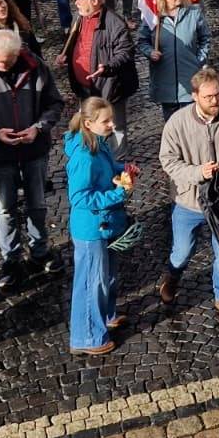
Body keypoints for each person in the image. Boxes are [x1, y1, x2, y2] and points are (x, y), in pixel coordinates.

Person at [0, 30, 63, 289]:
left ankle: (40, 251)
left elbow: (55, 103)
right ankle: (11, 259)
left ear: (19, 54)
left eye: (7, 60)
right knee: (5, 209)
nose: (1, 65)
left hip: (34, 149)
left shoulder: (37, 67)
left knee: (37, 204)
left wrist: (38, 128)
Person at [158, 68, 219, 322]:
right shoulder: (177, 123)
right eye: (208, 97)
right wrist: (198, 172)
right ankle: (172, 277)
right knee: (182, 252)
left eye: (218, 95)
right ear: (194, 95)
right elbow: (168, 161)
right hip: (189, 202)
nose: (215, 101)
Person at [65, 96, 138, 355]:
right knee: (91, 282)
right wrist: (117, 195)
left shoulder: (97, 143)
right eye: (106, 121)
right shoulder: (84, 156)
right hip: (91, 227)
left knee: (106, 276)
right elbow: (79, 197)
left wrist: (123, 168)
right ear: (88, 123)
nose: (112, 125)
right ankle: (87, 337)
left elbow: (108, 167)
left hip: (103, 225)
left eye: (111, 120)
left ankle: (106, 316)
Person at [58, 0, 138, 148]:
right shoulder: (79, 18)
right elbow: (73, 42)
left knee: (115, 128)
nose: (76, 3)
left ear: (94, 1)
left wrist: (107, 67)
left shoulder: (115, 23)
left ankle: (118, 167)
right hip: (85, 88)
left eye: (80, 0)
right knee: (90, 127)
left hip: (109, 88)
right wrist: (64, 54)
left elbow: (126, 52)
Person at [139, 0, 210, 121]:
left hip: (190, 78)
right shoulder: (153, 18)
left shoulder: (193, 13)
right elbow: (142, 41)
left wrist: (199, 60)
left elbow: (205, 39)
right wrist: (150, 52)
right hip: (165, 81)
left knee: (191, 124)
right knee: (171, 124)